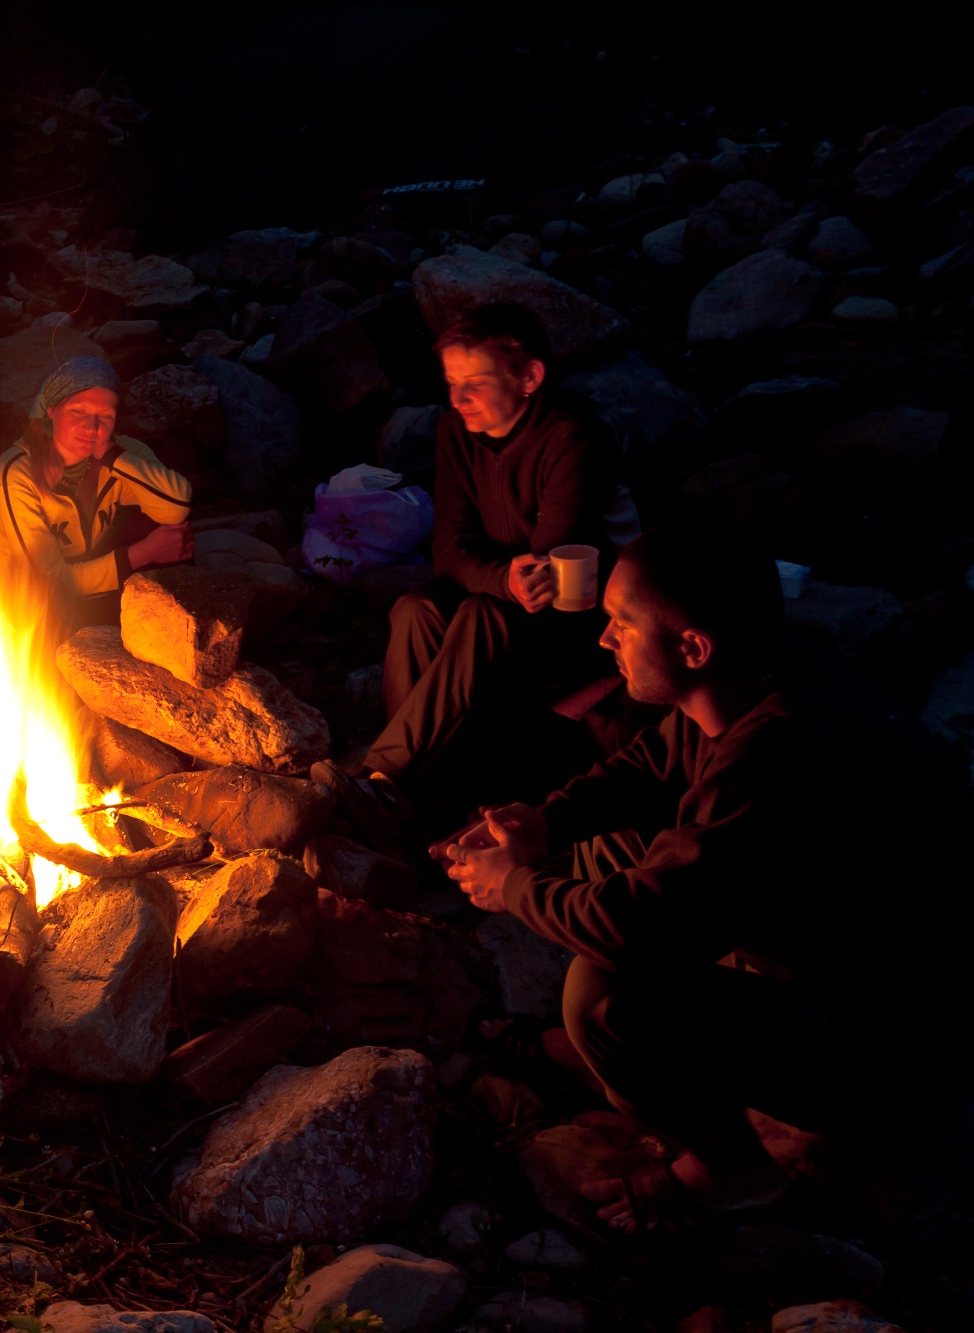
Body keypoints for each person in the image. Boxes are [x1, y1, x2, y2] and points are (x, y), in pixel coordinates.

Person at [439, 528, 966, 1233]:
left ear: (693, 647)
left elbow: (632, 930)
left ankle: (733, 1171)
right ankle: (668, 1065)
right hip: (832, 952)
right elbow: (648, 763)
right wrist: (540, 826)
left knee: (603, 996)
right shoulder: (755, 676)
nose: (603, 640)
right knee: (608, 859)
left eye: (622, 623)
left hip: (906, 1052)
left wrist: (514, 887)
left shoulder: (777, 754)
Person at [365, 303, 622, 799]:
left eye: (475, 383)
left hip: (577, 618)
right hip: (502, 594)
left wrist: (501, 583)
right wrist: (500, 578)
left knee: (484, 615)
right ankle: (409, 784)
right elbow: (449, 547)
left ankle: (386, 778)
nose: (459, 398)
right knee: (415, 609)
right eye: (452, 382)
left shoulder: (571, 436)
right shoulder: (456, 432)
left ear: (529, 377)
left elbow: (551, 565)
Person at [0, 355, 194, 630]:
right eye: (78, 411)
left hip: (90, 573)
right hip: (27, 605)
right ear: (51, 410)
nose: (92, 428)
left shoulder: (120, 450)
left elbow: (177, 503)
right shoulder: (16, 473)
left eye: (105, 417)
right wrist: (141, 554)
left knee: (165, 520)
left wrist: (111, 454)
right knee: (50, 603)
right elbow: (51, 579)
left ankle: (171, 635)